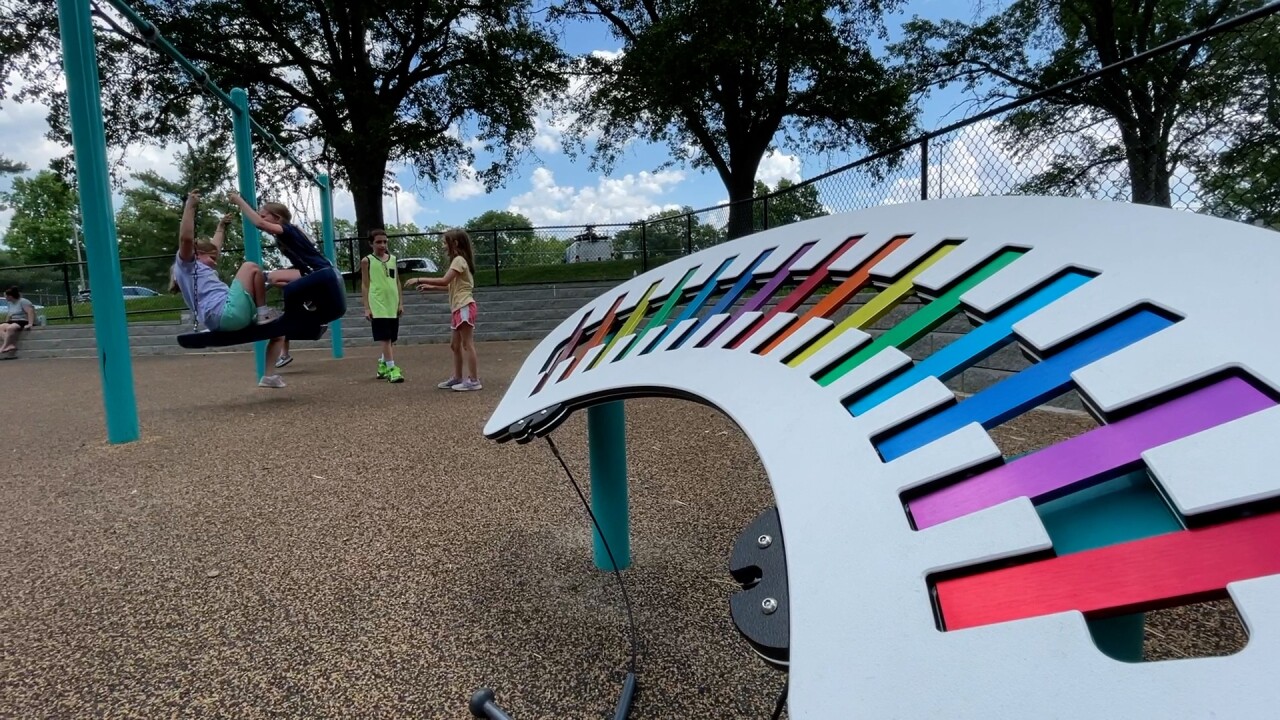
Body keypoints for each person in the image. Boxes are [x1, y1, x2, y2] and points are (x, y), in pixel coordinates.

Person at [173, 191, 288, 388]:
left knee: (279, 332)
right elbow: (186, 239)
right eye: (212, 258)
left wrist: (221, 226)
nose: (215, 263)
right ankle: (262, 313)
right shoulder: (187, 265)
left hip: (226, 317)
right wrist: (190, 206)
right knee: (250, 267)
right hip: (224, 313)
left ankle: (269, 376)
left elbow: (215, 246)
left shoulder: (202, 264)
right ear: (197, 254)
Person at [227, 191, 339, 374]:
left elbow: (259, 224)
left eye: (264, 215)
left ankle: (264, 311)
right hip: (311, 273)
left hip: (319, 272)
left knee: (270, 277)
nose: (261, 218)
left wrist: (239, 200)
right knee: (276, 280)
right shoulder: (286, 235)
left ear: (277, 218)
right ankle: (308, 306)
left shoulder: (286, 229)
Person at [406, 228, 481, 391]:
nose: (443, 246)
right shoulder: (459, 261)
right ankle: (457, 377)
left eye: (444, 242)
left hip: (464, 306)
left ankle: (474, 380)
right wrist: (430, 287)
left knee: (467, 344)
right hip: (458, 307)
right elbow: (450, 286)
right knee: (455, 345)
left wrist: (418, 278)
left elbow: (444, 280)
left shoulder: (459, 260)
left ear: (454, 243)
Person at [362, 229, 405, 382]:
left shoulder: (393, 259)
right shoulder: (367, 261)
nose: (382, 245)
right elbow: (365, 285)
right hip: (378, 303)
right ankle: (393, 369)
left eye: (385, 242)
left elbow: (397, 281)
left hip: (392, 303)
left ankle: (383, 363)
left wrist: (400, 302)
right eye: (378, 242)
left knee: (392, 338)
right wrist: (367, 307)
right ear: (371, 244)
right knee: (385, 338)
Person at [0, 286, 37, 356]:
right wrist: (6, 322)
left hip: (23, 320)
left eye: (6, 296)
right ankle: (10, 344)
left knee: (10, 328)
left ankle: (3, 347)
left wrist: (30, 324)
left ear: (11, 296)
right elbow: (9, 314)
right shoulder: (10, 303)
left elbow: (30, 312)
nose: (5, 298)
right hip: (13, 320)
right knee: (1, 327)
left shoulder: (23, 301)